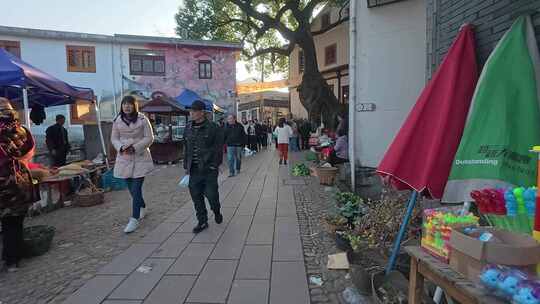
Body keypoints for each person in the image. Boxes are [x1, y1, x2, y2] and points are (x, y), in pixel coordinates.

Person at [0, 98, 39, 272]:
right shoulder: (21, 130)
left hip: (3, 182)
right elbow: (29, 150)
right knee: (15, 220)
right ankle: (14, 257)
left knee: (7, 221)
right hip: (19, 180)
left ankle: (10, 258)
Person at [111, 96, 154, 233]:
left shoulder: (143, 119)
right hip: (124, 158)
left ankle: (134, 219)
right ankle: (143, 207)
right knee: (131, 189)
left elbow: (149, 137)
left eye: (129, 104)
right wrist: (121, 147)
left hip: (140, 157)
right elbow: (114, 138)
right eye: (124, 104)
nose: (127, 107)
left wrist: (135, 147)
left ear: (134, 106)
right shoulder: (117, 120)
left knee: (136, 189)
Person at [184, 100, 224, 234]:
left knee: (212, 195)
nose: (192, 113)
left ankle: (216, 210)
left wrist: (214, 165)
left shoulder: (213, 127)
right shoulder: (188, 127)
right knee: (196, 197)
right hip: (194, 169)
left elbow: (218, 149)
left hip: (208, 169)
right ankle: (202, 221)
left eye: (194, 111)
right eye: (191, 111)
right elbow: (186, 148)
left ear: (202, 112)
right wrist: (186, 166)